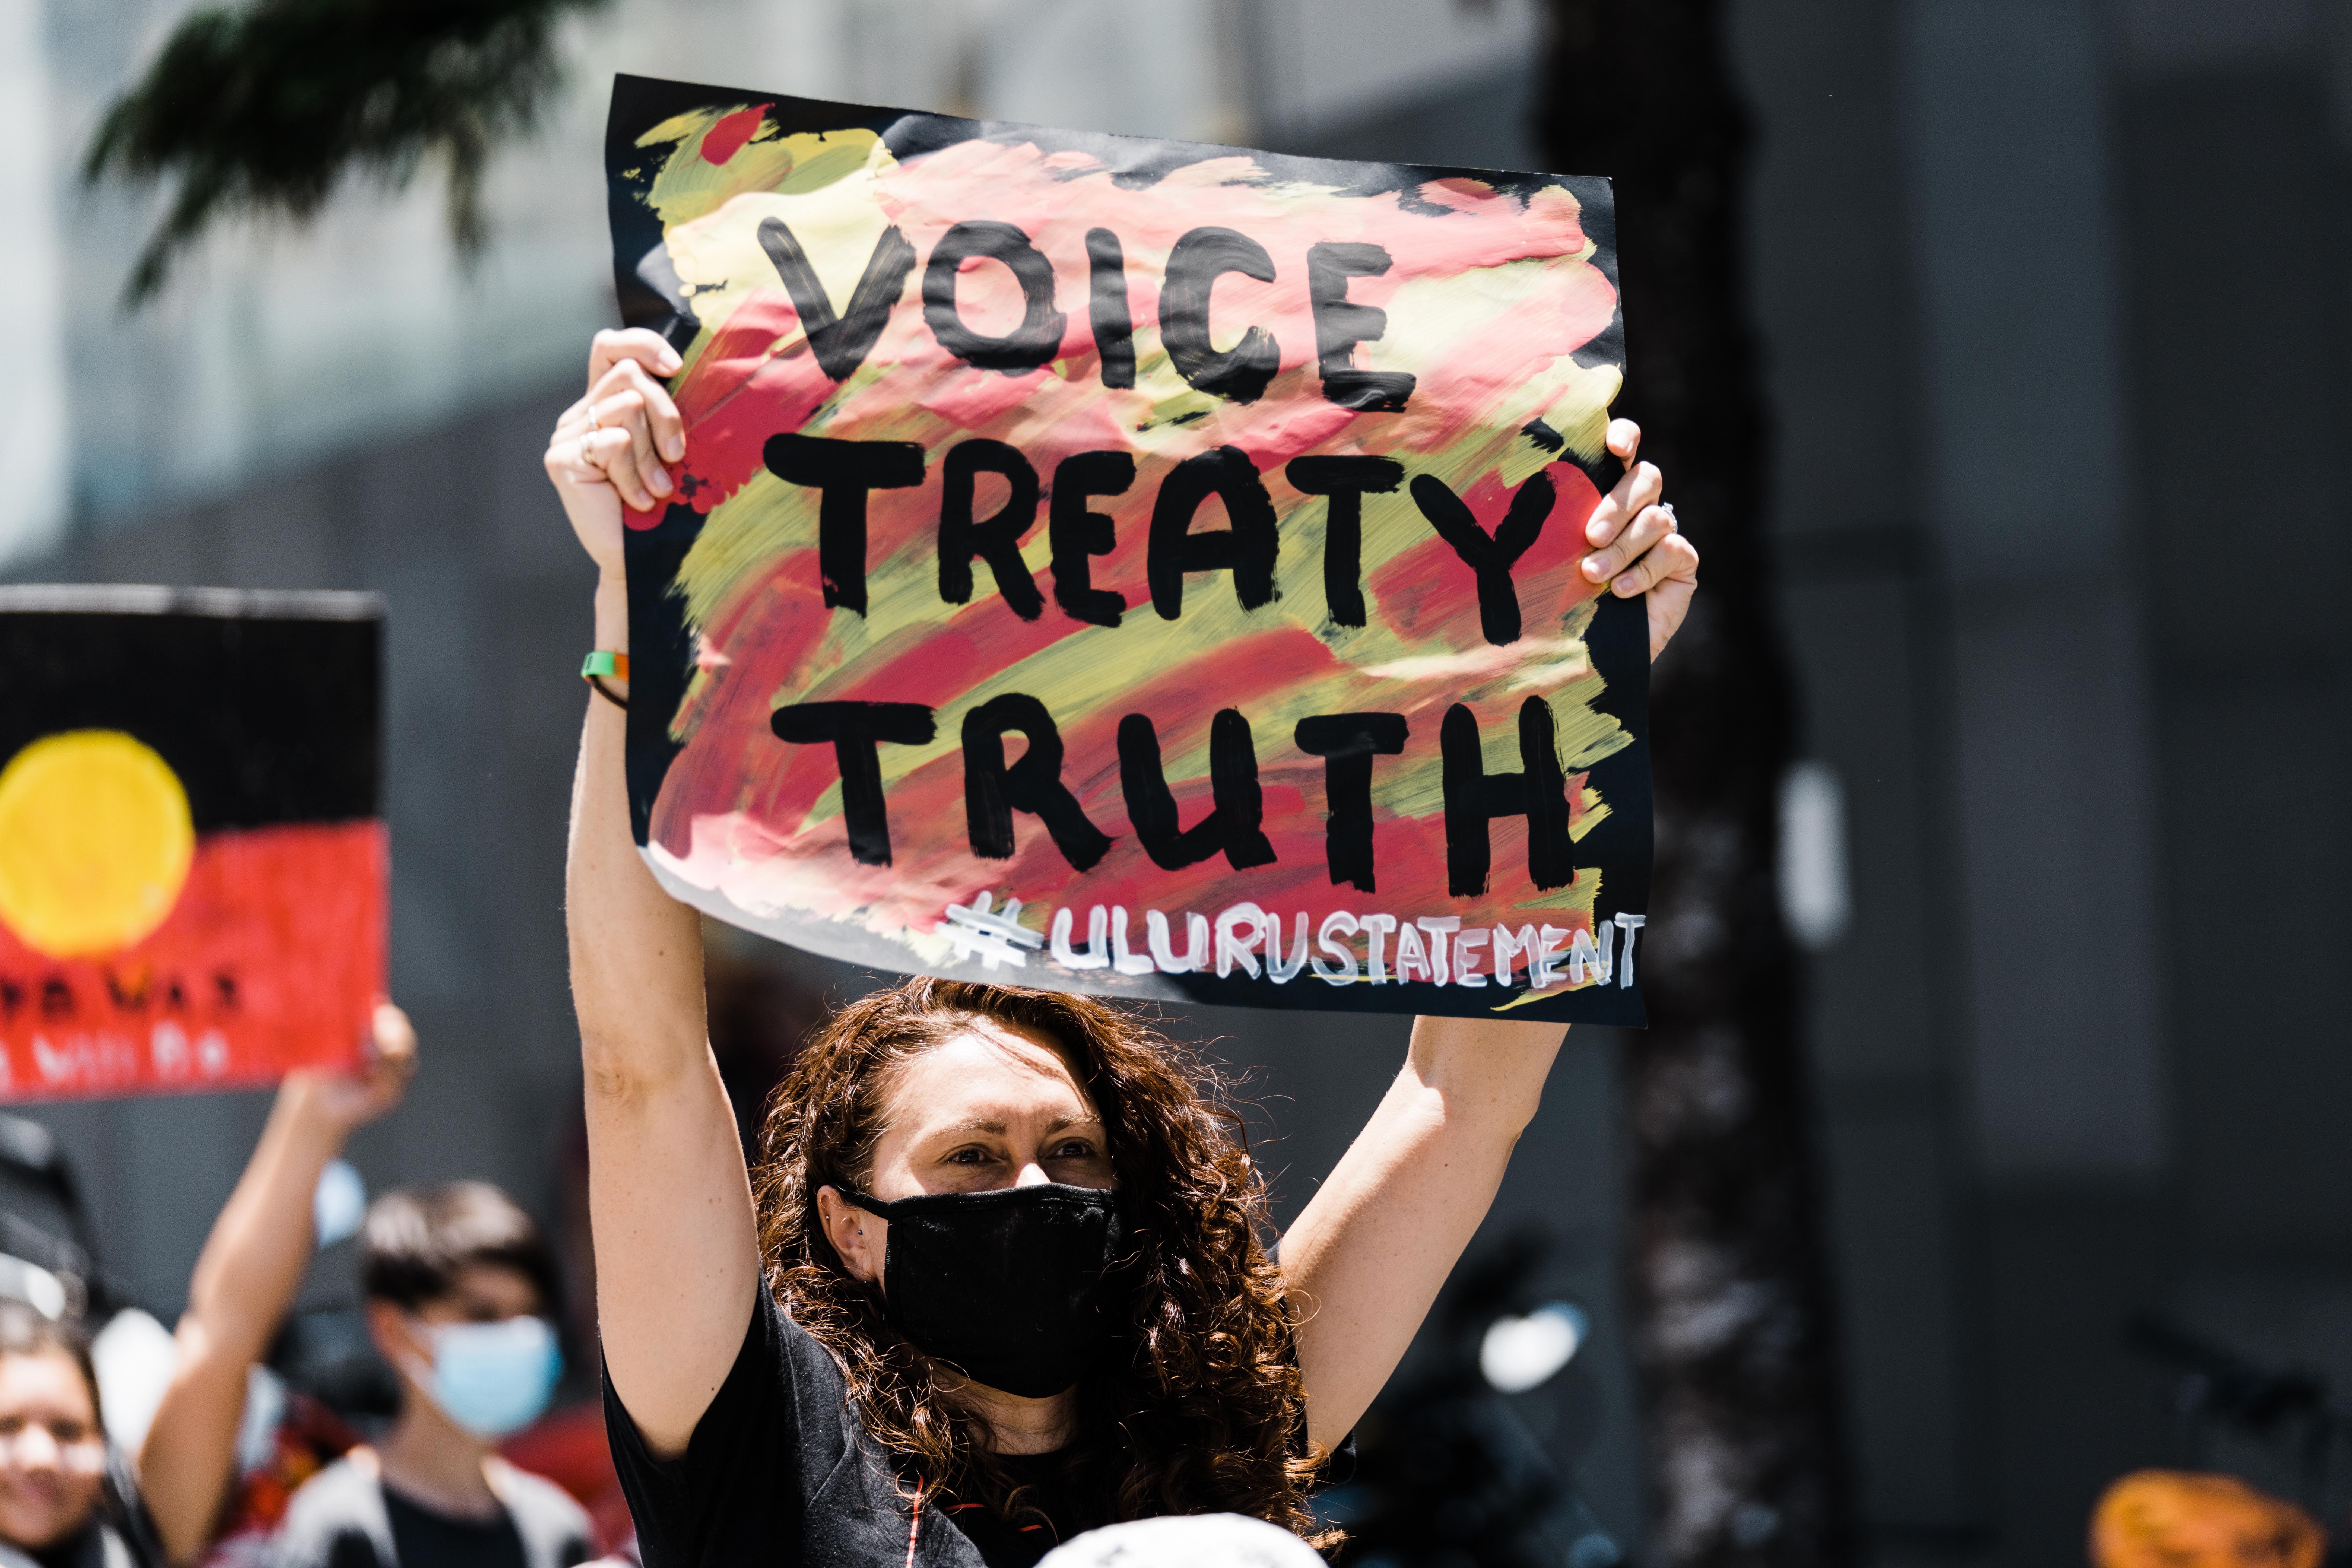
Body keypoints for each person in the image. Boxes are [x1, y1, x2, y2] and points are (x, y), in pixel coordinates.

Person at [546, 328, 1701, 1566]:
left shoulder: (1228, 1410)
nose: (1038, 1188)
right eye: (974, 1157)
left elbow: (1460, 1094)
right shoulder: (763, 1451)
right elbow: (643, 1061)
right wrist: (633, 607)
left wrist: (1579, 687)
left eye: (1076, 1151)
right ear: (851, 1225)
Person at [0, 1004, 414, 1568]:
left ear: (107, 1448)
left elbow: (226, 1330)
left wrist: (315, 1111)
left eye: (70, 1430)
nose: (39, 1456)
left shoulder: (144, 1528)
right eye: (6, 1427)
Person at [268, 1185, 594, 1568]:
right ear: (393, 1330)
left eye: (529, 1313)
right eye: (482, 1315)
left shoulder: (559, 1529)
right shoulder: (338, 1528)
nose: (516, 1335)